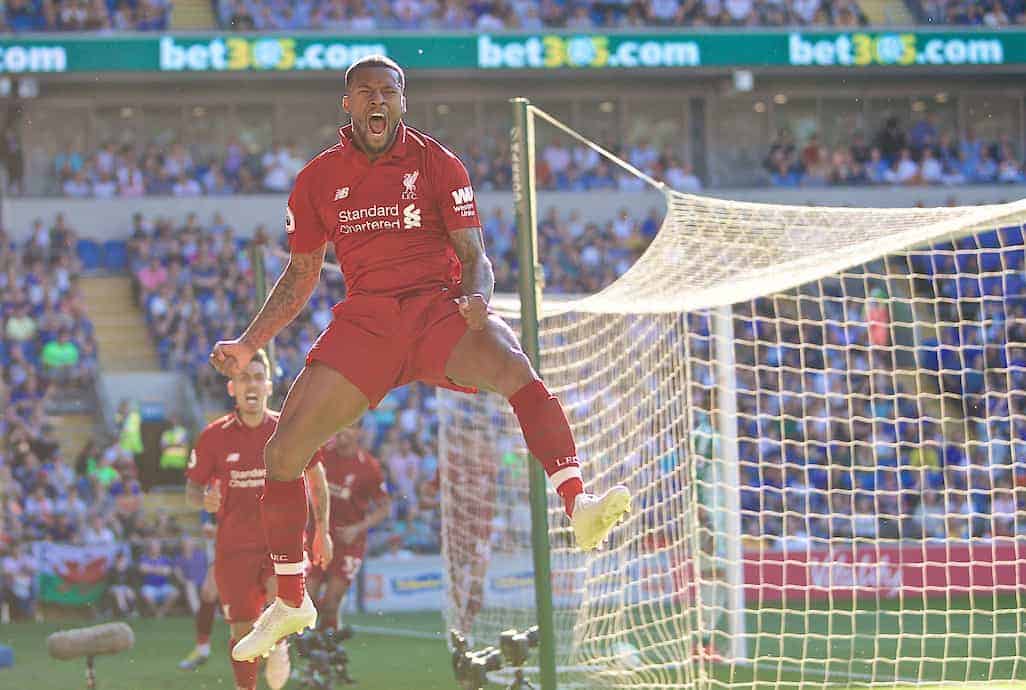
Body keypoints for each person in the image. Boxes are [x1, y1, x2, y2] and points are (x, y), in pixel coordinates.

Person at [214, 54, 630, 662]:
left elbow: (475, 255)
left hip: (437, 310)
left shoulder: (438, 163)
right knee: (282, 455)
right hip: (368, 321)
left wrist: (480, 297)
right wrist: (250, 343)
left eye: (389, 91)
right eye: (365, 92)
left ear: (402, 102)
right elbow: (303, 275)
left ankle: (579, 505)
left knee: (516, 368)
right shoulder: (317, 180)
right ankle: (291, 598)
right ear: (348, 105)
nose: (377, 100)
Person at [186, 348, 333, 690]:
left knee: (278, 599)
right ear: (232, 388)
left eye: (257, 377)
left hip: (280, 544)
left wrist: (323, 530)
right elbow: (192, 490)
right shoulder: (214, 436)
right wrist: (204, 500)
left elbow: (317, 478)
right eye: (242, 378)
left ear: (269, 384)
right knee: (242, 633)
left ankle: (280, 643)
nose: (250, 385)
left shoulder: (288, 427)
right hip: (234, 548)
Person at [306, 427, 391, 633]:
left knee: (331, 602)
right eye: (341, 425)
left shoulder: (369, 467)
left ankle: (326, 646)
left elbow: (385, 508)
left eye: (350, 426)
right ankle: (312, 642)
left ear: (359, 432)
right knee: (307, 598)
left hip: (348, 542)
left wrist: (357, 528)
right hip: (317, 535)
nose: (343, 431)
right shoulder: (322, 454)